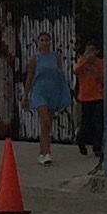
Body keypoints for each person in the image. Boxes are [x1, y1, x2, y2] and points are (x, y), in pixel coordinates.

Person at [23, 30, 72, 166]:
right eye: (42, 40)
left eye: (47, 40)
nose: (45, 43)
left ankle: (42, 151)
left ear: (50, 42)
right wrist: (25, 96)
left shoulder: (55, 57)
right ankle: (47, 151)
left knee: (48, 123)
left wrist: (64, 91)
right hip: (39, 91)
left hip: (53, 92)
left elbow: (59, 75)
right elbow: (30, 77)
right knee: (44, 120)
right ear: (38, 43)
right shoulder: (34, 59)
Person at [74, 41, 105, 161]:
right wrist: (84, 63)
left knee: (98, 123)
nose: (89, 53)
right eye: (87, 50)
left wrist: (93, 69)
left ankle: (97, 147)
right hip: (85, 97)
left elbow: (102, 79)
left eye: (92, 50)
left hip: (98, 96)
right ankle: (81, 140)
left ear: (96, 52)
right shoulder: (82, 60)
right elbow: (76, 71)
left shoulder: (100, 63)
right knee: (85, 123)